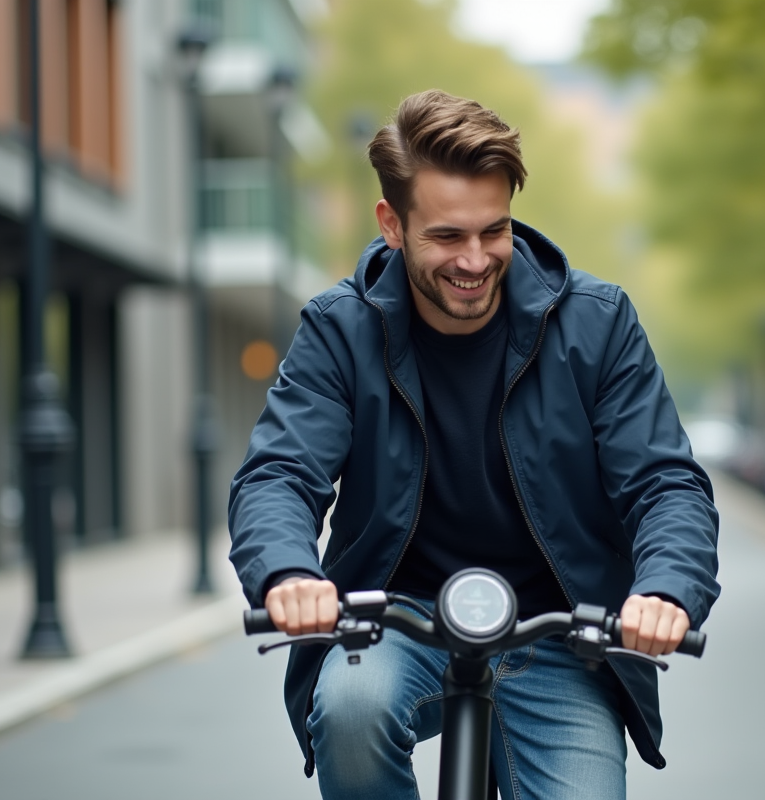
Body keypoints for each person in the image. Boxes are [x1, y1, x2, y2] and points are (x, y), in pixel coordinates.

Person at [228, 89, 720, 800]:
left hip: (561, 635)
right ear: (391, 225)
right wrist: (288, 575)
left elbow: (665, 483)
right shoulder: (340, 330)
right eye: (447, 237)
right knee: (350, 712)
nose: (476, 258)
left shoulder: (597, 324)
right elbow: (280, 472)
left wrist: (665, 589)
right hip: (391, 623)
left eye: (495, 231)